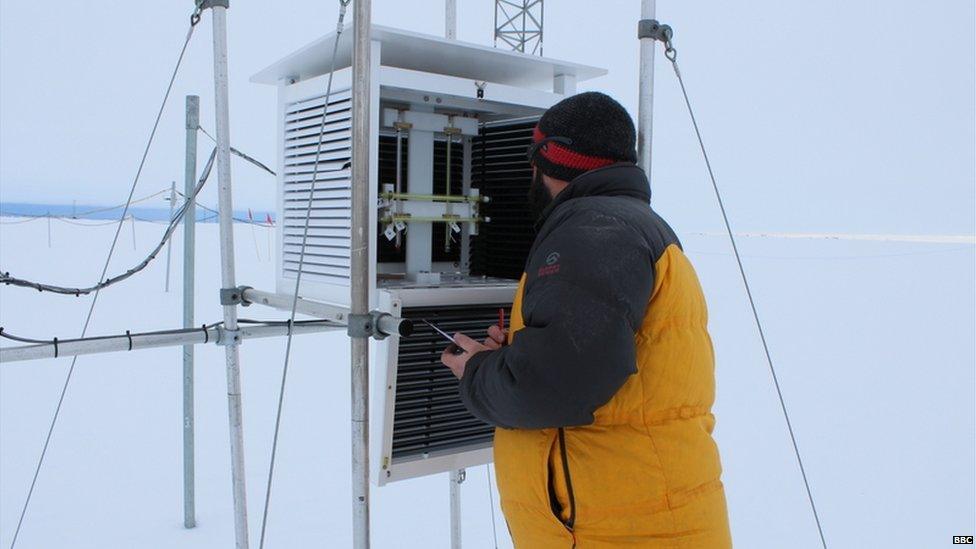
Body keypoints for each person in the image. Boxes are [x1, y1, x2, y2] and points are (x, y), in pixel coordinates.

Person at [440, 92, 732, 548]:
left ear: (550, 160)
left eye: (531, 160)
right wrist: (519, 354)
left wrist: (478, 371)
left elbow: (554, 386)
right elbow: (583, 356)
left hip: (618, 531)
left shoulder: (595, 231)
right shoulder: (627, 225)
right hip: (636, 521)